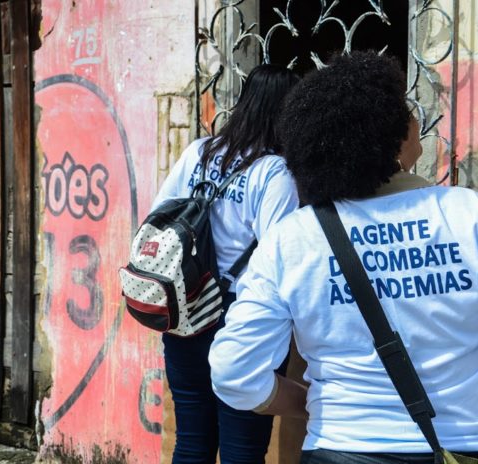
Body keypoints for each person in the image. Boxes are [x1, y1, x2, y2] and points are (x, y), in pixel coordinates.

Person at [208, 52, 478, 463]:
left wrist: (315, 405)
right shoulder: (469, 215)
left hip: (337, 448)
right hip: (464, 449)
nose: (415, 121)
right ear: (391, 133)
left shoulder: (292, 237)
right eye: (406, 111)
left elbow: (234, 373)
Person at [151, 64, 300, 464]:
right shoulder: (276, 172)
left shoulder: (198, 152)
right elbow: (279, 257)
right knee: (243, 451)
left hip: (185, 308)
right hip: (241, 317)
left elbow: (157, 217)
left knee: (191, 442)